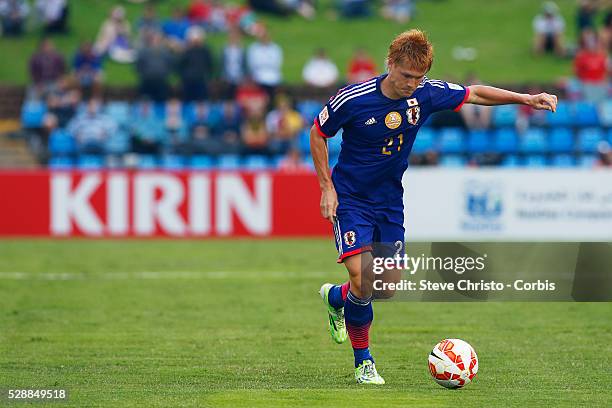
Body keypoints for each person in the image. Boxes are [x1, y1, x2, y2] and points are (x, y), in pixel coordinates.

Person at [310, 29, 557, 384]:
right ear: (390, 64)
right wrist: (326, 187)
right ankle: (364, 361)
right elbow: (318, 132)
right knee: (361, 275)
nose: (412, 84)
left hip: (390, 201)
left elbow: (474, 94)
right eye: (406, 75)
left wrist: (525, 98)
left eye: (419, 77)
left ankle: (337, 298)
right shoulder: (353, 98)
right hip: (351, 198)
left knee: (386, 287)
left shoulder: (426, 94)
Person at [135, 31, 174, 102]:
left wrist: (165, 74)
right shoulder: (144, 52)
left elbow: (170, 65)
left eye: (158, 40)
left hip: (161, 80)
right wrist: (143, 74)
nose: (155, 42)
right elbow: (139, 65)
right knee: (145, 101)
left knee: (161, 101)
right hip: (147, 80)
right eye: (154, 39)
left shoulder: (165, 53)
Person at [178, 27, 213, 102]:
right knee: (187, 100)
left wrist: (207, 76)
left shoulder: (206, 51)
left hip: (201, 79)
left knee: (201, 100)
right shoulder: (186, 51)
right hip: (188, 80)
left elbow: (209, 65)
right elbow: (181, 65)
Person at [574, 29, 609, 103]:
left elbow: (606, 71)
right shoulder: (581, 56)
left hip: (600, 83)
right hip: (587, 84)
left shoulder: (603, 56)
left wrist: (603, 81)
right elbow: (577, 72)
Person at [246, 26, 283, 97]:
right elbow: (252, 64)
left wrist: (263, 63)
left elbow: (276, 64)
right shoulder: (253, 48)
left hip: (273, 77)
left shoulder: (276, 49)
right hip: (258, 77)